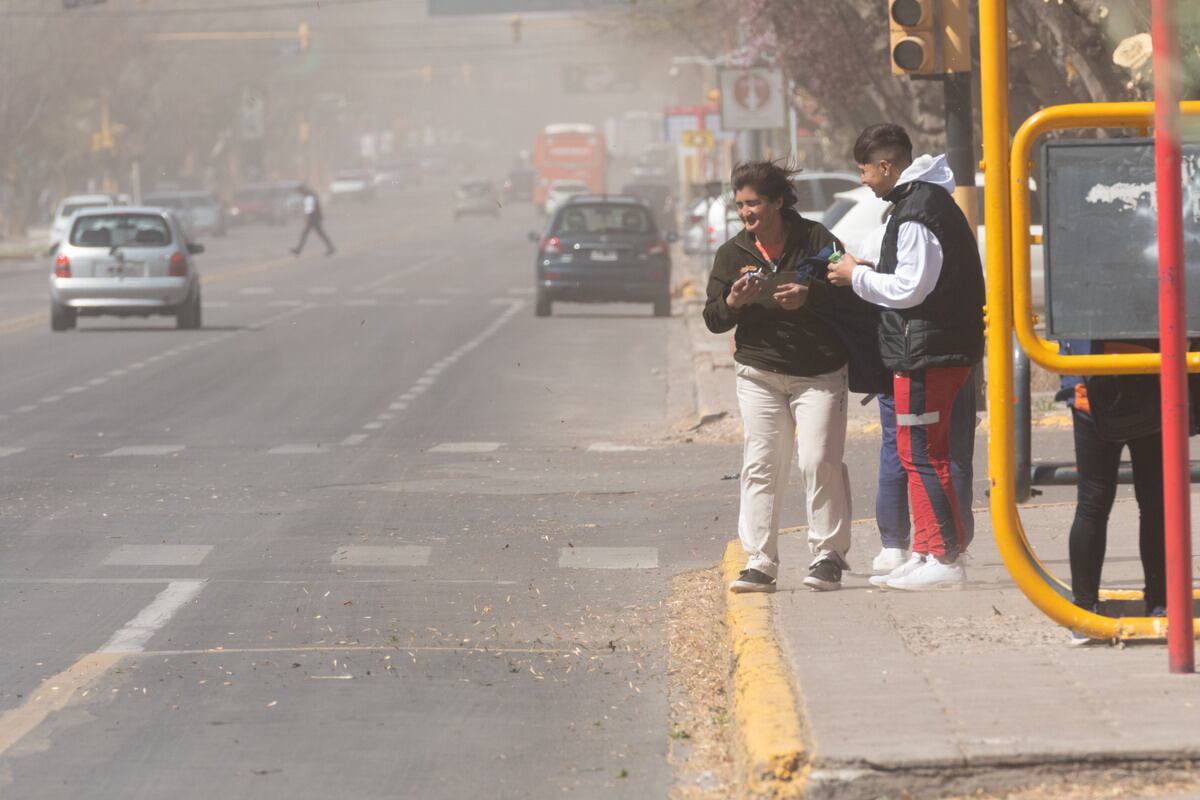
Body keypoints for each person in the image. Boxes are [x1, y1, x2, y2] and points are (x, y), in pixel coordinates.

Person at [828, 124, 985, 591]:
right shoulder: (925, 204)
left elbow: (911, 289)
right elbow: (917, 279)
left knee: (922, 454)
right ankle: (927, 550)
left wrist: (857, 276)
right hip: (935, 349)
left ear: (886, 166)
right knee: (921, 453)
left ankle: (943, 557)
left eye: (865, 171)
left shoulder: (917, 212)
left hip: (926, 353)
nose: (864, 181)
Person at [704, 160, 855, 593]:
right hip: (759, 372)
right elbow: (713, 318)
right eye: (739, 206)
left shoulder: (816, 239)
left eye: (753, 204)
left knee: (817, 459)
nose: (746, 213)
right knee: (762, 465)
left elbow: (850, 290)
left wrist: (810, 295)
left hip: (819, 372)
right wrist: (732, 301)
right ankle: (760, 562)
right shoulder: (732, 254)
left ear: (777, 202)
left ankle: (828, 555)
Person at [1057, 340, 1166, 644]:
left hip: (1093, 385)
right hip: (1153, 381)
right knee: (1156, 504)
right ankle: (1160, 604)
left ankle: (1084, 609)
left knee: (1093, 504)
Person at [291, 185, 335, 257]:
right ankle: (331, 247)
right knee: (319, 234)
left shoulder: (308, 197)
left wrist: (307, 221)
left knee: (306, 234)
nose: (299, 194)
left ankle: (298, 250)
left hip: (313, 219)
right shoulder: (311, 195)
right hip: (316, 218)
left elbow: (309, 211)